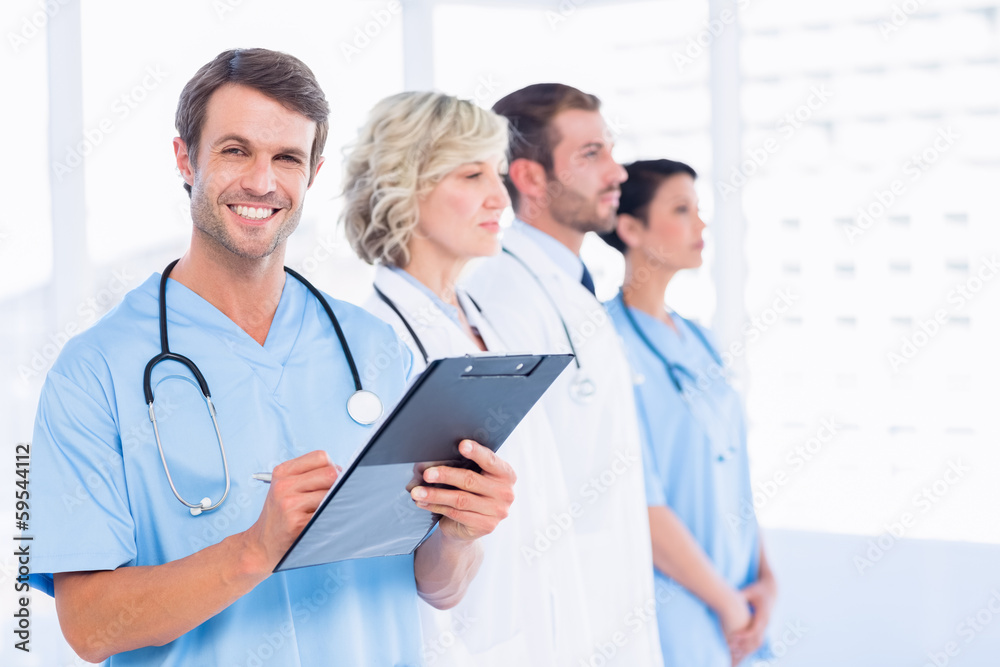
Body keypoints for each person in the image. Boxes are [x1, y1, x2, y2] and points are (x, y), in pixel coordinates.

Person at [27, 48, 514, 666]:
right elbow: (89, 628)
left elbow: (435, 585)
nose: (262, 182)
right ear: (185, 158)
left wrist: (459, 531)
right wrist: (253, 550)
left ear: (312, 171)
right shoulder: (94, 371)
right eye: (236, 150)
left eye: (287, 157)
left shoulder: (374, 348)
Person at [342, 91, 592, 665]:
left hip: (537, 632)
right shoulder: (377, 345)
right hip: (458, 643)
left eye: (498, 174)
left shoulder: (488, 323)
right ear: (405, 186)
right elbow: (395, 547)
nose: (500, 197)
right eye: (472, 174)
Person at [463, 83, 664, 666]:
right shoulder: (501, 292)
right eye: (591, 154)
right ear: (528, 178)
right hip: (558, 622)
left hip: (608, 599)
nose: (618, 171)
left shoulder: (570, 287)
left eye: (610, 150)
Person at [599, 159, 777, 666]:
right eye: (682, 210)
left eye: (699, 210)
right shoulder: (607, 343)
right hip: (676, 602)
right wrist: (726, 603)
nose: (700, 225)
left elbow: (732, 468)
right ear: (630, 228)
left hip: (742, 597)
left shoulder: (700, 339)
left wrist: (767, 580)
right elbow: (640, 500)